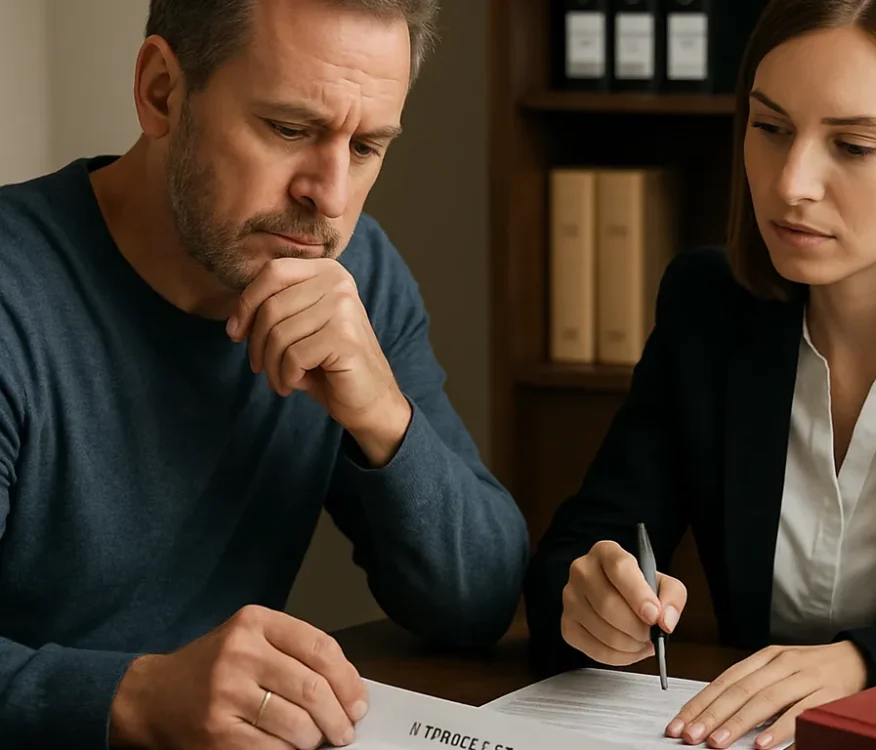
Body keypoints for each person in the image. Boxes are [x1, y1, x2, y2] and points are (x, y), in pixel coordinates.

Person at [0, 0, 530, 747]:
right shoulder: (12, 297)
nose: (331, 197)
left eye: (368, 145)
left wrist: (382, 415)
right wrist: (135, 697)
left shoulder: (357, 278)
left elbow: (478, 603)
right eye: (289, 129)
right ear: (161, 92)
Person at [523, 0, 876, 748]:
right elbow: (582, 548)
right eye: (771, 128)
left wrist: (864, 664)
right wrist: (592, 599)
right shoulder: (708, 308)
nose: (790, 184)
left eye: (852, 146)